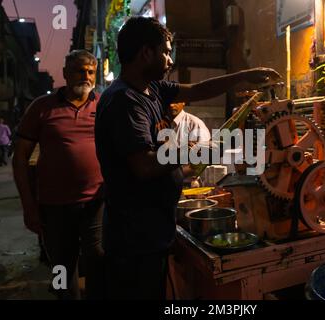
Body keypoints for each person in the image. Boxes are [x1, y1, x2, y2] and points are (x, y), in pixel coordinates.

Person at [94, 16, 281, 300]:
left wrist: (245, 75)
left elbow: (197, 91)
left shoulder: (151, 88)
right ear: (146, 52)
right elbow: (144, 166)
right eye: (166, 51)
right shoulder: (125, 102)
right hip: (133, 239)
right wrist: (194, 149)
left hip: (152, 229)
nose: (170, 60)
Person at [12, 50, 105, 300]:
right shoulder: (42, 107)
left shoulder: (103, 105)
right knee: (62, 265)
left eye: (90, 72)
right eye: (79, 70)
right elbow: (20, 157)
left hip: (96, 201)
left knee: (97, 257)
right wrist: (28, 206)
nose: (85, 76)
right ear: (65, 73)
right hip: (54, 205)